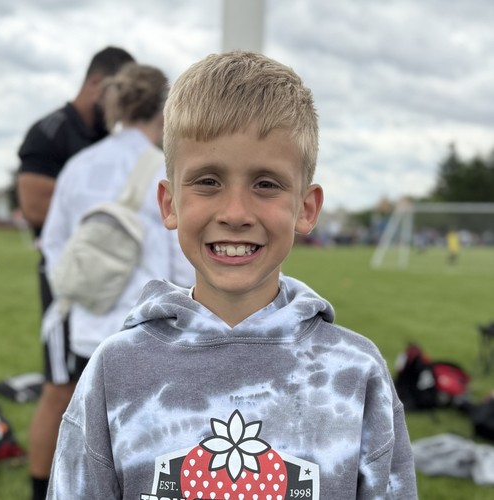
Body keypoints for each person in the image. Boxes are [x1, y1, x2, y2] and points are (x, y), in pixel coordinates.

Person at [48, 51, 417, 499]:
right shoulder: (115, 370)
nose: (236, 213)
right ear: (169, 203)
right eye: (208, 181)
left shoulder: (355, 373)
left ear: (306, 208)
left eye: (266, 184)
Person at [16, 46, 135, 500]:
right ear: (98, 85)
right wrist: (109, 206)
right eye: (120, 91)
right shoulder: (50, 131)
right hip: (68, 280)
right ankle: (39, 490)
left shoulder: (111, 142)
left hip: (113, 281)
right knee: (60, 389)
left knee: (108, 387)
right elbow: (34, 205)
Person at [42, 60, 194, 374]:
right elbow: (183, 262)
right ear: (164, 110)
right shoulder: (165, 171)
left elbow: (53, 241)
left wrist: (79, 290)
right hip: (147, 331)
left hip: (85, 331)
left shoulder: (79, 165)